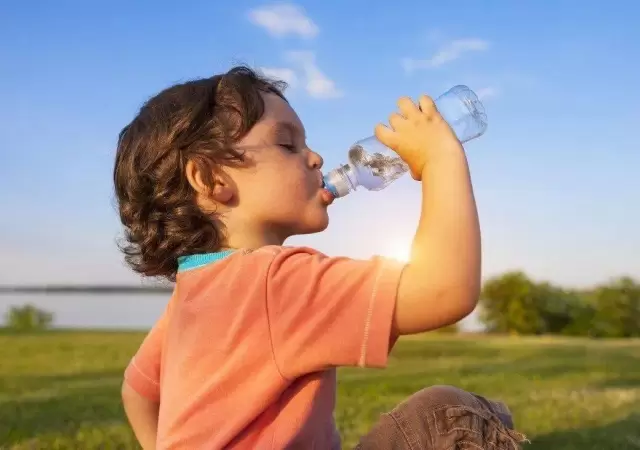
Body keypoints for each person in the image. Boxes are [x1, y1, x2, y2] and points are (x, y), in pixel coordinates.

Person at [115, 66, 527, 449]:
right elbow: (445, 290)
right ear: (211, 179)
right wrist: (441, 158)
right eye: (287, 144)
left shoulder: (193, 297)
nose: (315, 158)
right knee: (445, 414)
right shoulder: (273, 283)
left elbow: (136, 392)